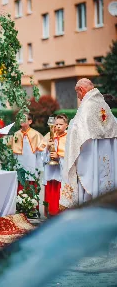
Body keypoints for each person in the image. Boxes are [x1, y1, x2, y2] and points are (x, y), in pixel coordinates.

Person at [60, 78, 117, 209]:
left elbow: (76, 130)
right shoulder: (104, 105)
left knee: (89, 189)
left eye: (77, 94)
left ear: (81, 90)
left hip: (90, 156)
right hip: (105, 154)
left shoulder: (87, 106)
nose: (78, 98)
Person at [42, 114, 68, 216]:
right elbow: (42, 156)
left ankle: (59, 215)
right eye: (56, 124)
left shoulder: (69, 137)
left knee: (59, 194)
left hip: (61, 171)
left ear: (66, 125)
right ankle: (50, 213)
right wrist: (47, 148)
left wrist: (59, 157)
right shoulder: (50, 135)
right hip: (50, 171)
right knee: (50, 192)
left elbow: (71, 155)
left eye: (61, 124)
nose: (57, 126)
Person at [10, 112, 43, 192]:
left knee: (31, 189)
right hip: (20, 166)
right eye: (20, 118)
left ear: (30, 121)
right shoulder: (16, 134)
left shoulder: (36, 135)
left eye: (24, 118)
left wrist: (38, 169)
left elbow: (39, 154)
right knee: (20, 189)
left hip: (32, 165)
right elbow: (14, 153)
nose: (21, 120)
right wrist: (13, 166)